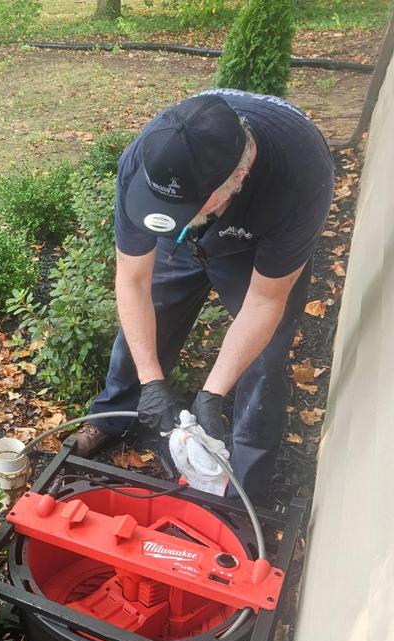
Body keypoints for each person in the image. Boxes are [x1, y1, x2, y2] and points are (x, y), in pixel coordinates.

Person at [67, 90, 334, 502]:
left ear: (238, 178)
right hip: (190, 222)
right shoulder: (147, 160)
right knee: (150, 316)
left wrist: (212, 393)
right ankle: (113, 416)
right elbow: (133, 281)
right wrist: (152, 381)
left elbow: (265, 302)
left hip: (254, 241)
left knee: (264, 355)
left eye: (187, 206)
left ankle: (242, 478)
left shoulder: (299, 178)